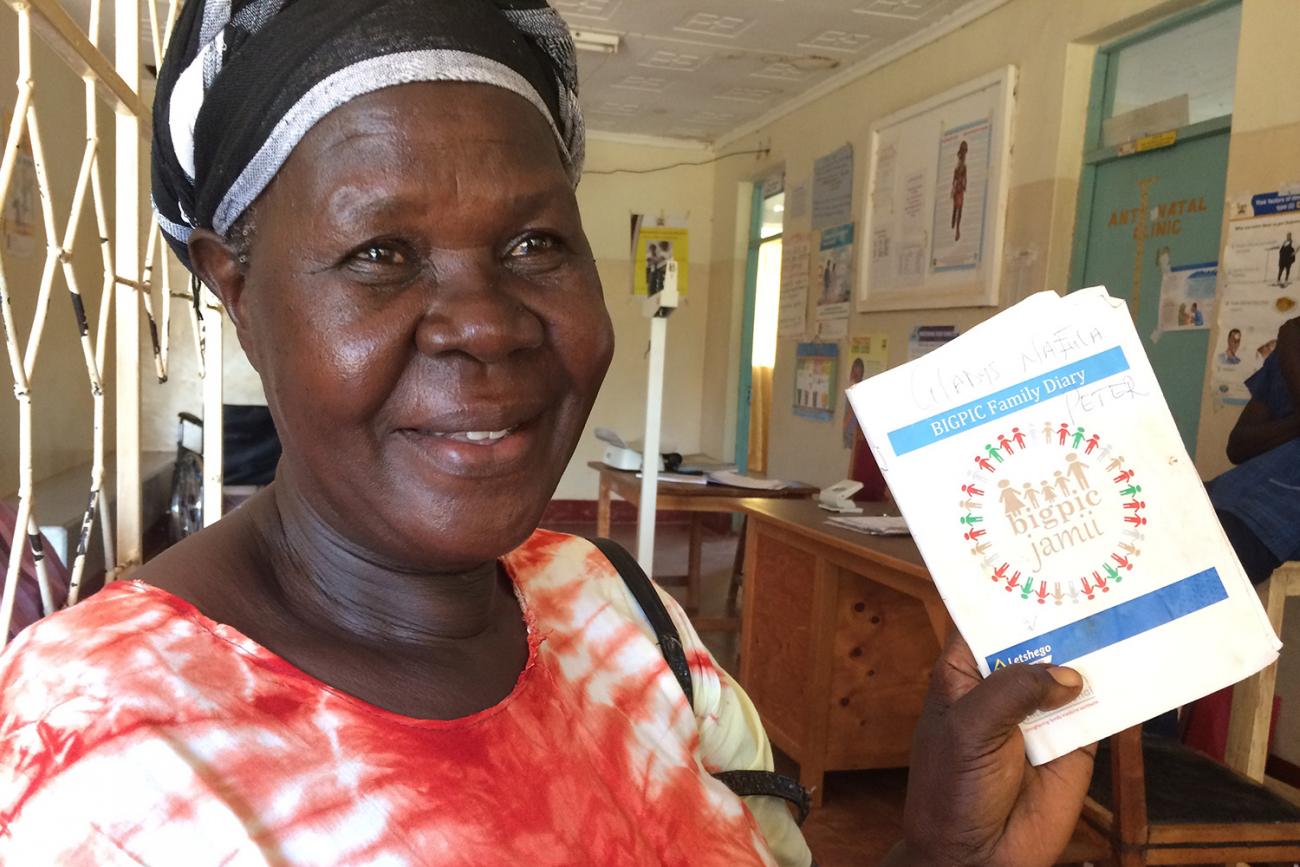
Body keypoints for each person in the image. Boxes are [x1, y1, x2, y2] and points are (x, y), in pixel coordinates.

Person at [0, 2, 1095, 865]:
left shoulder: (617, 613)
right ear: (236, 292)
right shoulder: (91, 755)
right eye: (382, 252)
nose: (486, 323)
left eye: (533, 243)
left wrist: (941, 853)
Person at [1209, 316, 1300, 584]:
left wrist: (1291, 342)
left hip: (1274, 521)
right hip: (1229, 498)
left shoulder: (1292, 347)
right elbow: (1238, 446)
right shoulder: (1289, 355)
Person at [950, 139, 968, 242]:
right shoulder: (958, 168)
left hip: (960, 189)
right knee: (955, 209)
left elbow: (965, 178)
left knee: (959, 209)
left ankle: (957, 229)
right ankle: (954, 226)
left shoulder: (963, 167)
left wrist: (964, 185)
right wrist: (954, 188)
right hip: (958, 188)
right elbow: (954, 179)